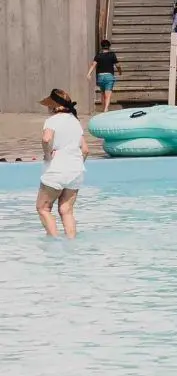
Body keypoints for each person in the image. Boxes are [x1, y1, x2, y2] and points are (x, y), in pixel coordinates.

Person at [37, 89, 87, 237]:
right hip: (76, 171)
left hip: (56, 170)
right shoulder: (75, 121)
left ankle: (55, 242)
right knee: (66, 210)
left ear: (54, 106)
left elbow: (46, 139)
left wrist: (47, 154)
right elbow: (85, 150)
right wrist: (76, 164)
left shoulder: (52, 121)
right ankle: (71, 243)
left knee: (43, 208)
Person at [85, 38, 118, 113]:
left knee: (103, 94)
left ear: (101, 47)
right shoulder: (112, 55)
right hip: (109, 76)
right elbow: (117, 65)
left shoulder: (98, 55)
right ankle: (106, 109)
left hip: (100, 77)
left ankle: (104, 108)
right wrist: (120, 71)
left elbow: (93, 65)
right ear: (109, 46)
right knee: (108, 94)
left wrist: (88, 73)